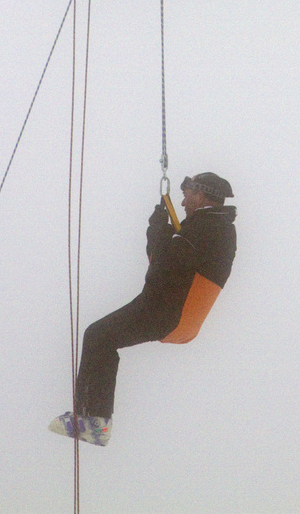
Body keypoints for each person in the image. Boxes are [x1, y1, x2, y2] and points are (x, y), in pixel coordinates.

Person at [49, 172, 237, 446]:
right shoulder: (211, 227)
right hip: (168, 307)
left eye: (187, 194)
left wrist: (158, 229)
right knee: (99, 336)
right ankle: (92, 419)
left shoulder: (208, 229)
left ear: (202, 194)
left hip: (167, 309)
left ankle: (94, 421)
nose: (183, 202)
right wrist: (162, 232)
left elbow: (162, 261)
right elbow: (163, 259)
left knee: (99, 336)